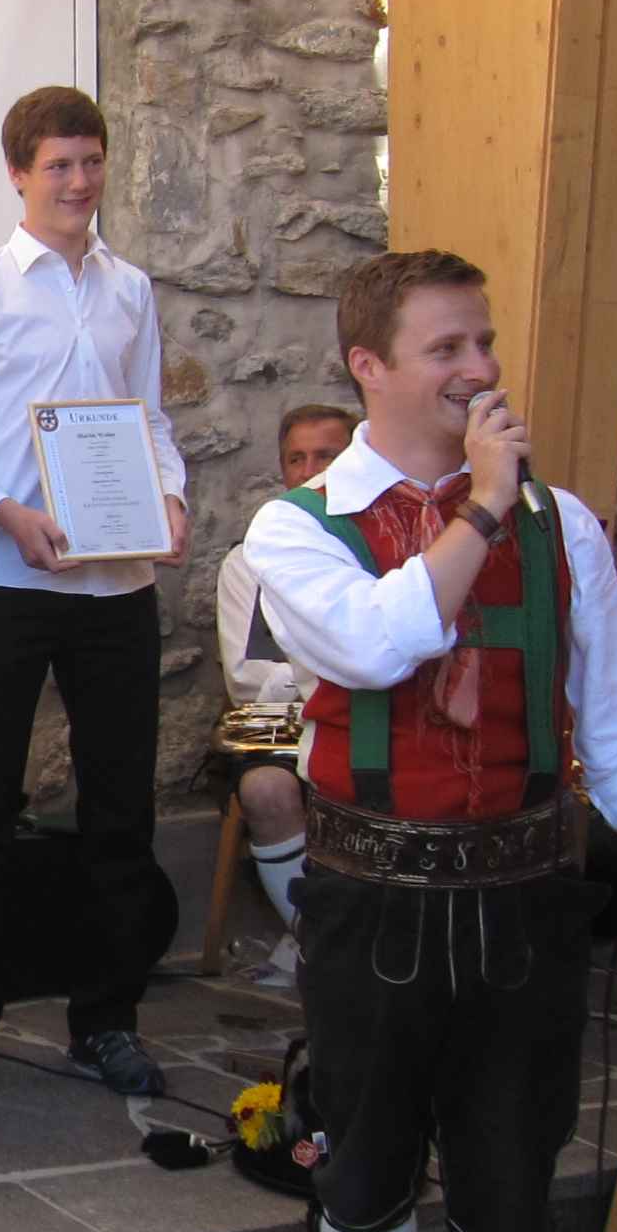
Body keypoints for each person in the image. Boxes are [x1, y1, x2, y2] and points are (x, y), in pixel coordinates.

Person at [242, 249, 617, 1232]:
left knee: (506, 1179)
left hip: (523, 902)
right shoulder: (296, 526)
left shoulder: (562, 526)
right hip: (368, 902)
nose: (478, 370)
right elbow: (379, 642)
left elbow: (614, 710)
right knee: (365, 1169)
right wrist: (484, 508)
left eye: (481, 343)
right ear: (368, 366)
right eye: (445, 348)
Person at [0, 87, 186, 1101]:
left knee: (119, 806)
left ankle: (106, 1019)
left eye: (91, 161)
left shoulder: (131, 290)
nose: (79, 182)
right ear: (17, 175)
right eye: (58, 165)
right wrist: (5, 514)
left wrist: (170, 495)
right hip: (6, 578)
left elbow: (148, 418)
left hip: (118, 583)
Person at [214, 403, 354, 987]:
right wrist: (333, 668)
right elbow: (247, 678)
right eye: (297, 458)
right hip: (283, 731)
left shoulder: (382, 546)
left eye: (326, 456)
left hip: (361, 727)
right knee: (266, 790)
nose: (310, 470)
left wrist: (305, 669)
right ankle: (320, 945)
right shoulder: (248, 561)